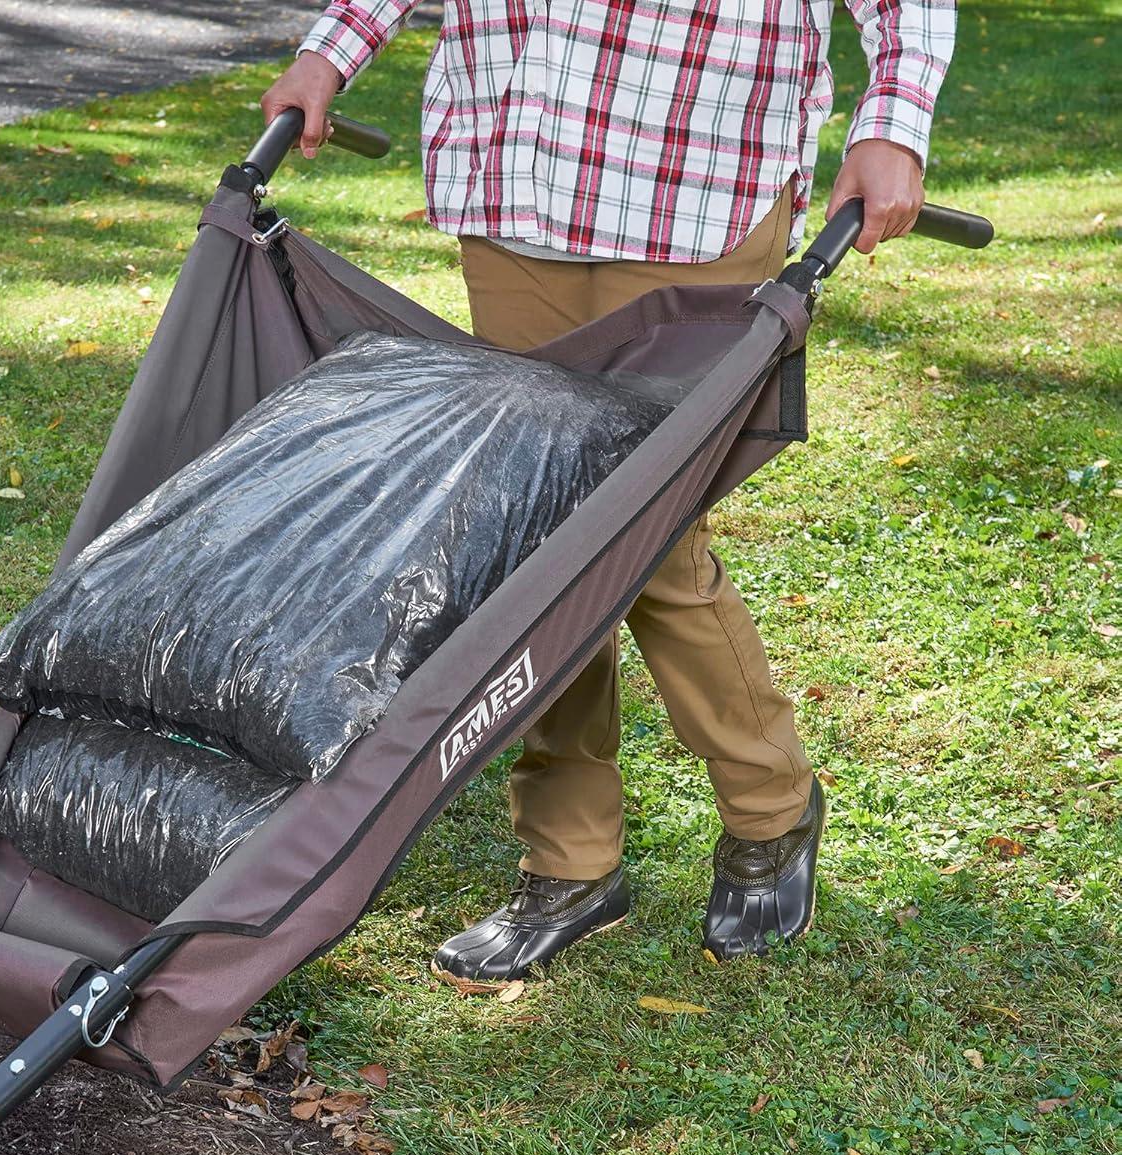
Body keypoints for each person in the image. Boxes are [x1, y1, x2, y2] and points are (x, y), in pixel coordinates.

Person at [262, 0, 954, 980]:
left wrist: (892, 128)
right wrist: (328, 56)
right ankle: (569, 860)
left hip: (694, 181)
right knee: (540, 536)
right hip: (515, 177)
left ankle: (771, 808)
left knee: (656, 541)